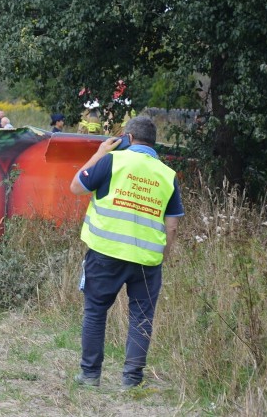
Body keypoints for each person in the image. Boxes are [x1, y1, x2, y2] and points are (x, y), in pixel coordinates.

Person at [69, 116, 184, 389]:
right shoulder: (167, 175)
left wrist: (99, 153)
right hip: (147, 259)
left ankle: (89, 376)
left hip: (105, 253)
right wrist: (163, 255)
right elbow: (173, 225)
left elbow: (76, 186)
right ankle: (132, 380)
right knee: (141, 317)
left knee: (96, 311)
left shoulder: (112, 161)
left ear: (128, 138)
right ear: (153, 143)